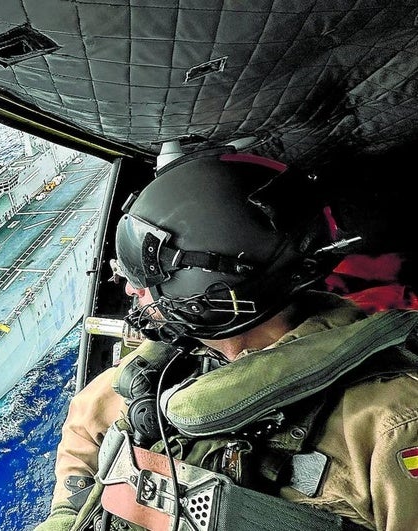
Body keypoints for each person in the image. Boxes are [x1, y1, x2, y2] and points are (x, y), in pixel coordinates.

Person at [35, 151, 418, 531]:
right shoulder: (177, 366)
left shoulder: (391, 422)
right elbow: (87, 422)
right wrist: (69, 512)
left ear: (211, 293)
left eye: (148, 276)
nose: (133, 289)